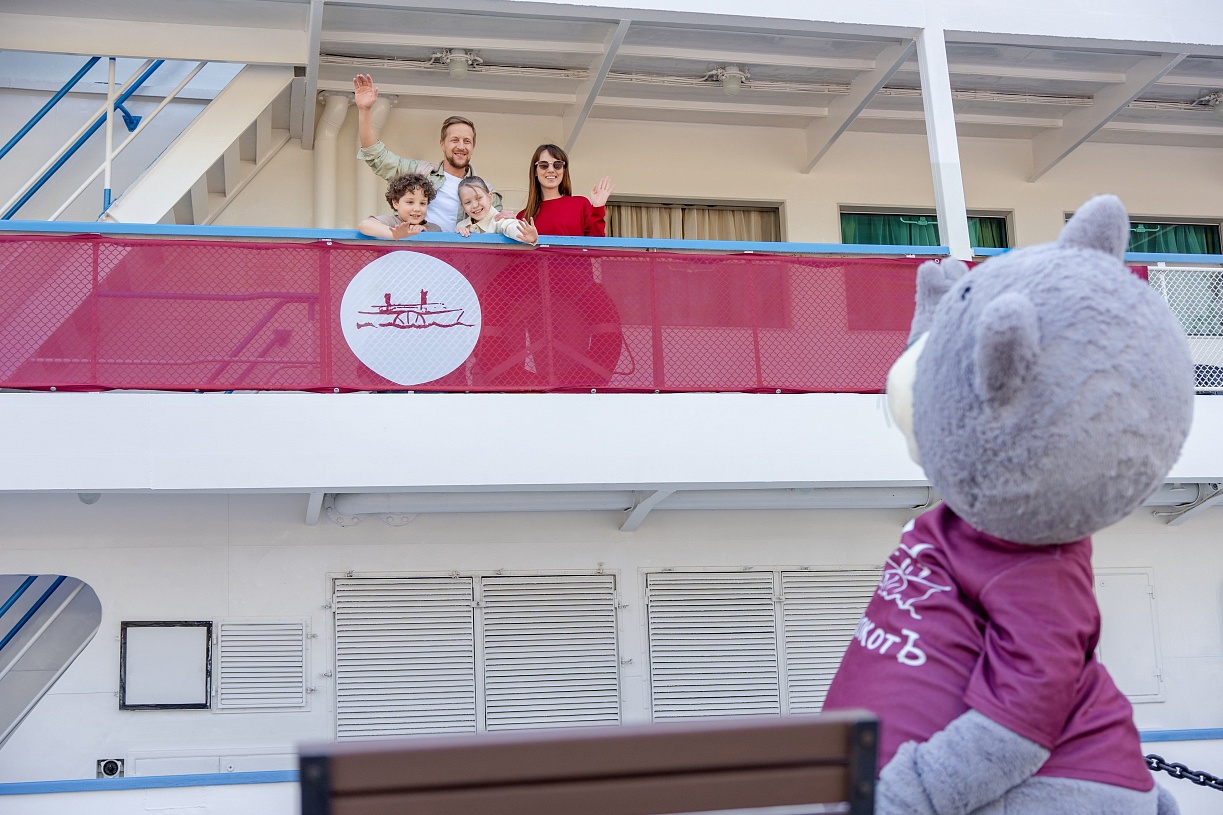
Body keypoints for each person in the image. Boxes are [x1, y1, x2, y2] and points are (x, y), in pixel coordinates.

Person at [353, 74, 501, 231]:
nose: (461, 146)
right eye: (454, 140)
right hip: (415, 245)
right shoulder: (420, 172)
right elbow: (376, 156)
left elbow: (496, 227)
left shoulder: (486, 191)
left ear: (473, 147)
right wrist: (364, 110)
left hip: (457, 247)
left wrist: (505, 218)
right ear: (442, 144)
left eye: (467, 141)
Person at [516, 144, 613, 237]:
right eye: (544, 165)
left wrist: (597, 208)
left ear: (563, 170)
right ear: (535, 171)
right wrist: (506, 223)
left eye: (557, 165)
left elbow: (595, 243)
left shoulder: (580, 204)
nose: (551, 170)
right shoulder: (523, 217)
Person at [357, 172, 442, 239]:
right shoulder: (392, 222)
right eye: (410, 202)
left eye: (422, 203)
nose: (417, 209)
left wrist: (424, 233)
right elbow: (365, 225)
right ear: (396, 203)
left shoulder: (434, 229)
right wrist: (395, 234)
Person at [456, 177, 537, 245]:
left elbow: (510, 226)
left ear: (490, 197)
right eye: (467, 202)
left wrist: (525, 234)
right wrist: (459, 235)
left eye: (479, 198)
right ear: (463, 208)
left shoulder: (499, 220)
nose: (475, 205)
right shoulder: (461, 226)